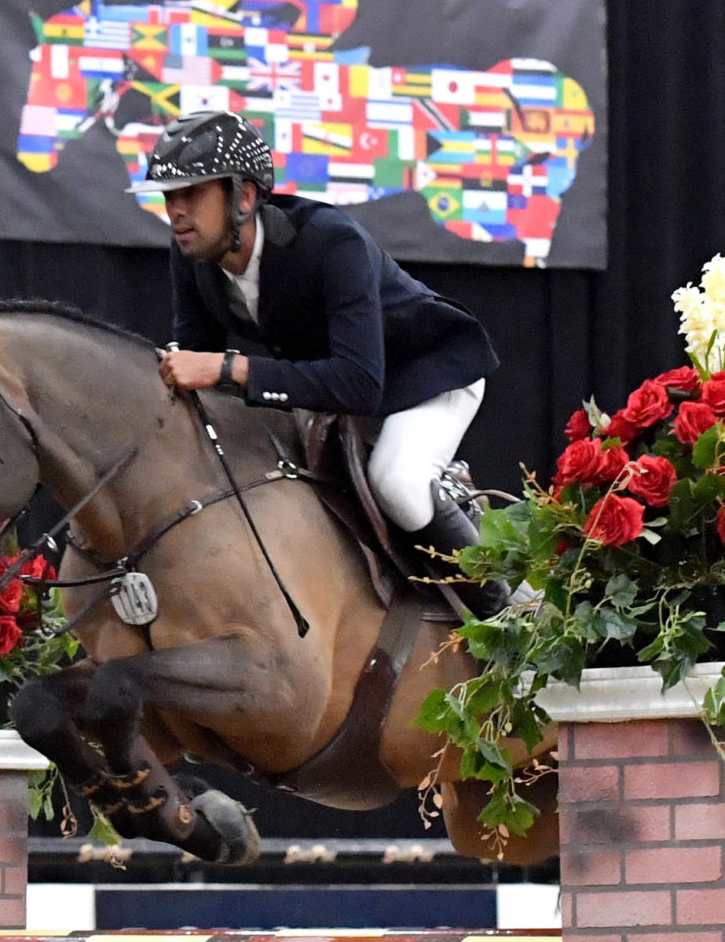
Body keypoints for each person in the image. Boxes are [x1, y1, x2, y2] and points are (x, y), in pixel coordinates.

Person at [141, 110, 505, 611]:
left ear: (244, 197)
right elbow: (197, 364)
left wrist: (230, 368)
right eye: (169, 196)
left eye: (192, 193)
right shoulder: (191, 255)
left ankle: (503, 617)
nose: (175, 211)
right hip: (340, 384)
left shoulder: (332, 241)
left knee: (396, 483)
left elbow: (359, 384)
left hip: (428, 375)